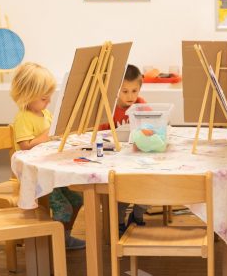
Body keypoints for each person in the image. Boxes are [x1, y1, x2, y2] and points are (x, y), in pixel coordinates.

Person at [11, 62, 85, 250]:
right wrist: (46, 137)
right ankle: (55, 243)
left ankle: (64, 237)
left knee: (78, 199)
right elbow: (25, 146)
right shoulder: (23, 118)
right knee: (64, 207)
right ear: (27, 96)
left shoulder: (45, 113)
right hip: (37, 176)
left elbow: (53, 135)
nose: (48, 102)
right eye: (44, 99)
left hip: (50, 169)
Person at [99, 65, 147, 229]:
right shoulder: (108, 109)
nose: (130, 96)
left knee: (149, 187)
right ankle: (119, 223)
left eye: (135, 91)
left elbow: (152, 128)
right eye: (125, 91)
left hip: (138, 160)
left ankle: (137, 216)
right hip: (115, 163)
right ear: (116, 89)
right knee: (121, 193)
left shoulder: (141, 105)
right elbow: (99, 137)